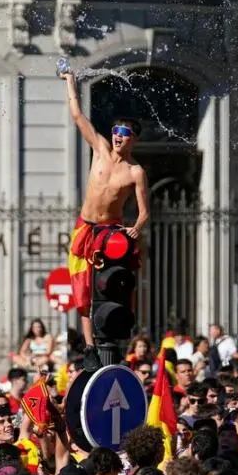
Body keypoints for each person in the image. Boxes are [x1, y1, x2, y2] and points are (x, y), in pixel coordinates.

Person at [60, 69, 150, 369]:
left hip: (110, 232)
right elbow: (76, 115)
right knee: (82, 286)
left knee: (112, 286)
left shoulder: (135, 171)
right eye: (115, 132)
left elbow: (144, 211)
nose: (117, 137)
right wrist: (70, 83)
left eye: (124, 134)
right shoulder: (98, 149)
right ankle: (88, 346)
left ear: (133, 139)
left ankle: (117, 339)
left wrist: (135, 228)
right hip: (85, 227)